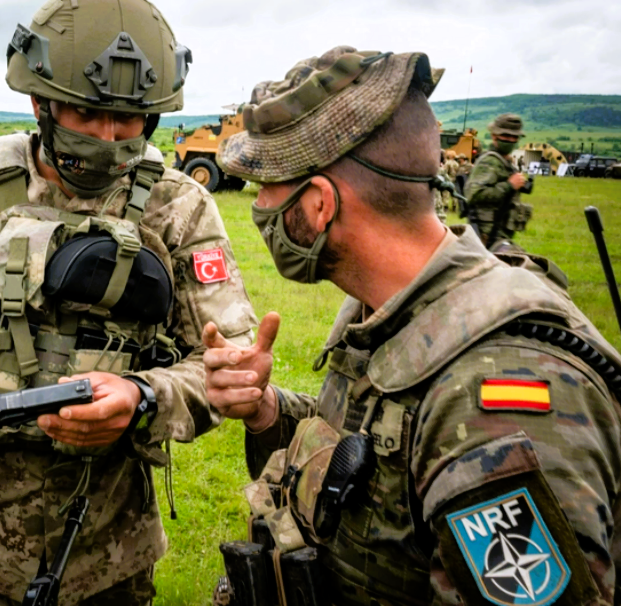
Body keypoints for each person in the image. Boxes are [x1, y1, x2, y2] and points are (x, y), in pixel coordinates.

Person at [0, 0, 257, 605]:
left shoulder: (181, 206)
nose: (107, 136)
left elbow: (223, 357)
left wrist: (144, 396)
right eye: (87, 115)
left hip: (107, 552)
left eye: (127, 120)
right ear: (42, 102)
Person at [207, 46, 620, 605]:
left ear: (321, 204)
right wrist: (267, 411)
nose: (260, 207)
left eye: (268, 188)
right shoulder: (395, 308)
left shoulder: (496, 397)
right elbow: (381, 457)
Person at [465, 113, 532, 248]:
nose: (511, 140)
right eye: (506, 136)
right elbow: (474, 194)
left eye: (515, 137)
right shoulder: (489, 161)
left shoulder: (504, 162)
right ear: (494, 136)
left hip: (498, 235)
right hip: (487, 237)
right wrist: (509, 185)